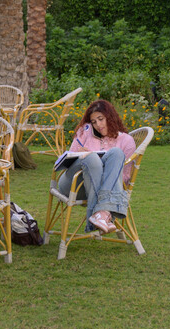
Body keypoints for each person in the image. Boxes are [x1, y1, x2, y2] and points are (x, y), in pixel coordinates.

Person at [58, 100, 136, 234]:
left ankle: (100, 214)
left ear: (110, 117)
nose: (98, 125)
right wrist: (85, 155)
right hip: (74, 186)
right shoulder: (85, 131)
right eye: (94, 121)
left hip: (106, 189)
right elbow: (69, 159)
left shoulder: (126, 141)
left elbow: (124, 177)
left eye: (101, 119)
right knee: (91, 157)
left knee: (117, 153)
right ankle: (104, 212)